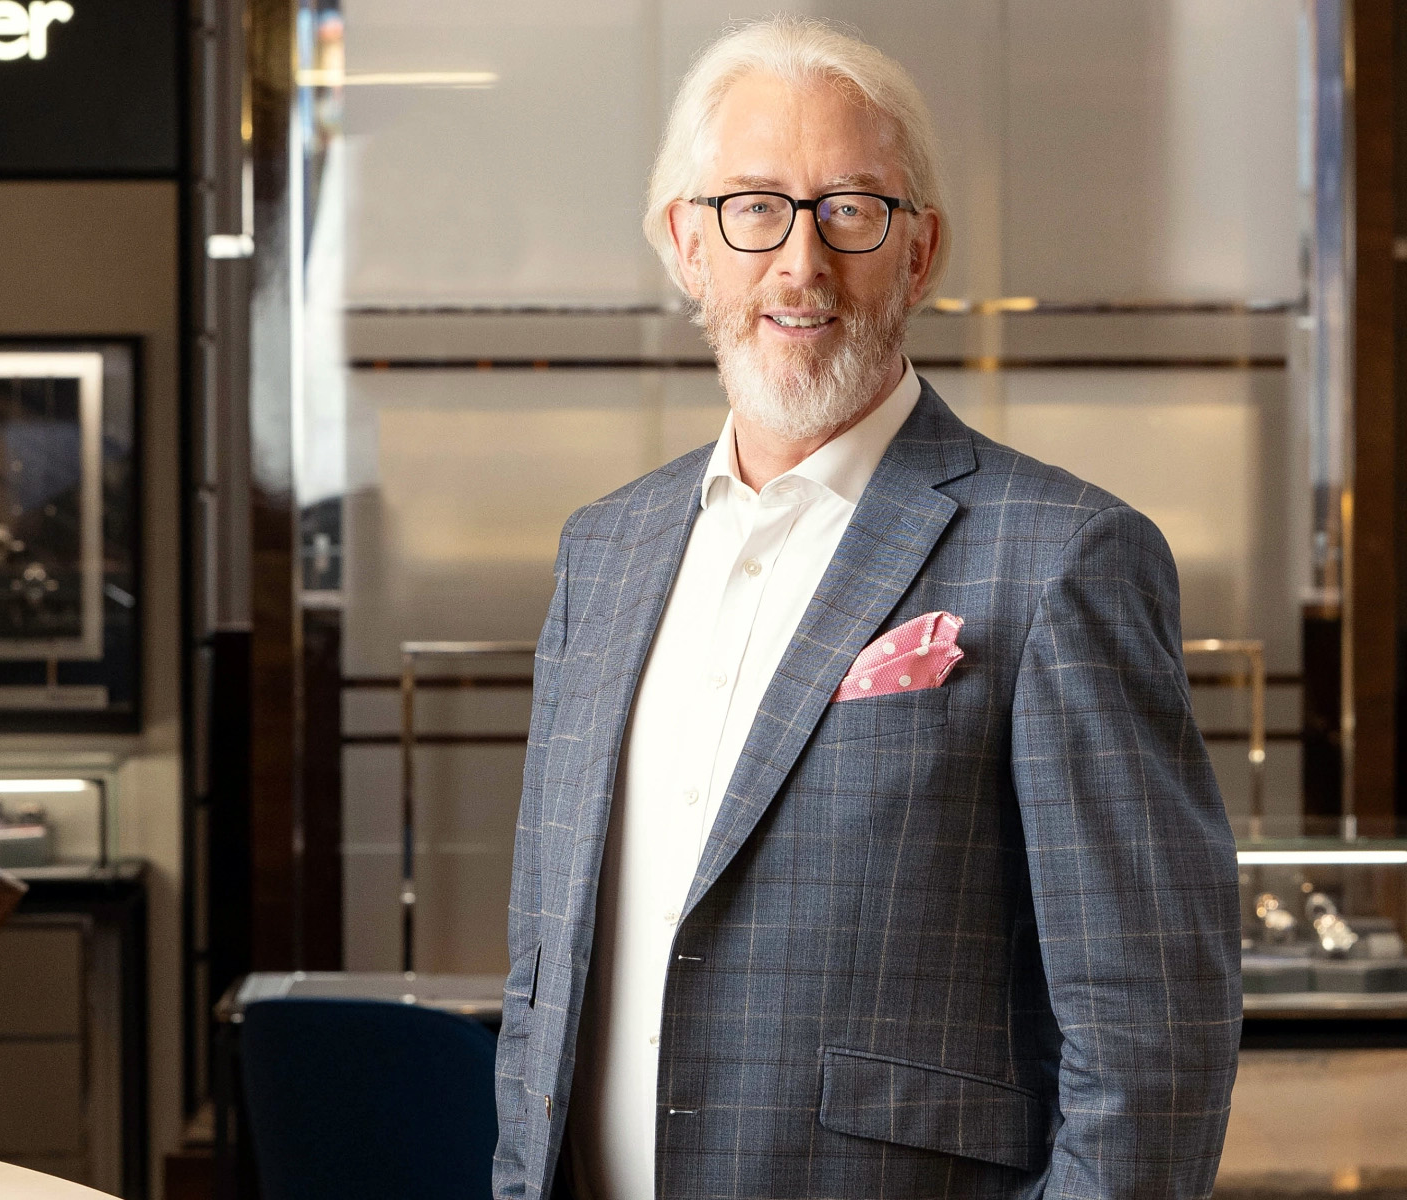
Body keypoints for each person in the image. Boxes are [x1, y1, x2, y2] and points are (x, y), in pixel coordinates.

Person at [495, 17, 1240, 1200]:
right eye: (753, 207)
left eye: (851, 209)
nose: (801, 263)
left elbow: (1154, 1048)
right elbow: (542, 980)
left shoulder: (1063, 559)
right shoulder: (605, 554)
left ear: (920, 250)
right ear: (688, 244)